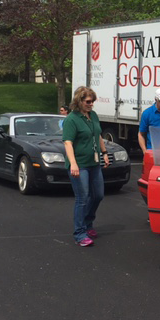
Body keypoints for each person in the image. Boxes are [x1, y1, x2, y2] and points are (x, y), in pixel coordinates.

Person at [62, 87, 110, 247]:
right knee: (82, 198)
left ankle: (88, 223)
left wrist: (104, 153)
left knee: (98, 195)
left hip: (94, 163)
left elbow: (98, 135)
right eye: (88, 102)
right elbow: (68, 142)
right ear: (79, 101)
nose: (91, 104)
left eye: (92, 101)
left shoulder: (93, 116)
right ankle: (79, 233)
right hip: (80, 165)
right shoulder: (71, 119)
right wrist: (73, 164)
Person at [138, 88, 160, 154]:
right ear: (156, 99)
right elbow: (141, 134)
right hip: (153, 151)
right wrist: (144, 151)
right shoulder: (147, 113)